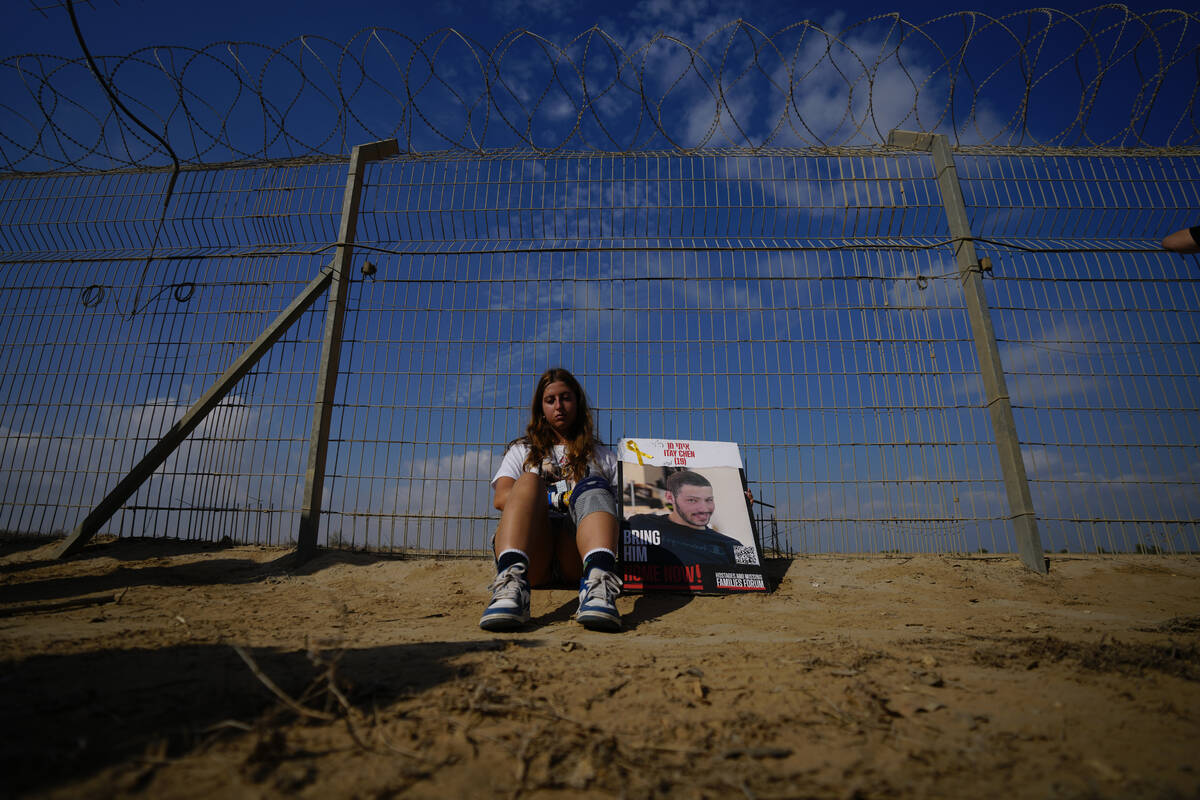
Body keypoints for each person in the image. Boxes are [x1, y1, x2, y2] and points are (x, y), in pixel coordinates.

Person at [481, 368, 623, 632]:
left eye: (566, 398)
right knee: (528, 480)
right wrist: (554, 497)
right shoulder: (522, 451)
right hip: (534, 550)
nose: (559, 406)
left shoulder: (602, 456)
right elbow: (501, 498)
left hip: (577, 554)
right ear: (541, 408)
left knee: (594, 486)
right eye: (551, 400)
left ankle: (598, 585)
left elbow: (624, 508)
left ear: (578, 403)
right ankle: (511, 587)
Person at [625, 470, 743, 564]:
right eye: (692, 500)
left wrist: (746, 507)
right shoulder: (639, 524)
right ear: (670, 498)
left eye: (708, 500)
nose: (703, 508)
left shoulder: (733, 545)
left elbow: (756, 575)